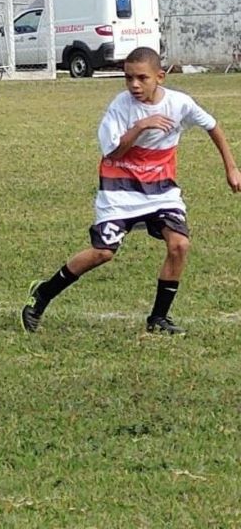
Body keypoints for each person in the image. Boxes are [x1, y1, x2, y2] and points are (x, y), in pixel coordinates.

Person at [20, 47, 241, 335]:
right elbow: (113, 153)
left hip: (161, 190)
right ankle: (42, 294)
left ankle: (158, 319)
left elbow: (213, 127)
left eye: (142, 78)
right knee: (103, 253)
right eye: (128, 78)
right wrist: (140, 126)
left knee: (179, 245)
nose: (134, 85)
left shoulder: (180, 103)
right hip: (119, 190)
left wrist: (231, 168)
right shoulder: (119, 107)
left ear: (159, 77)